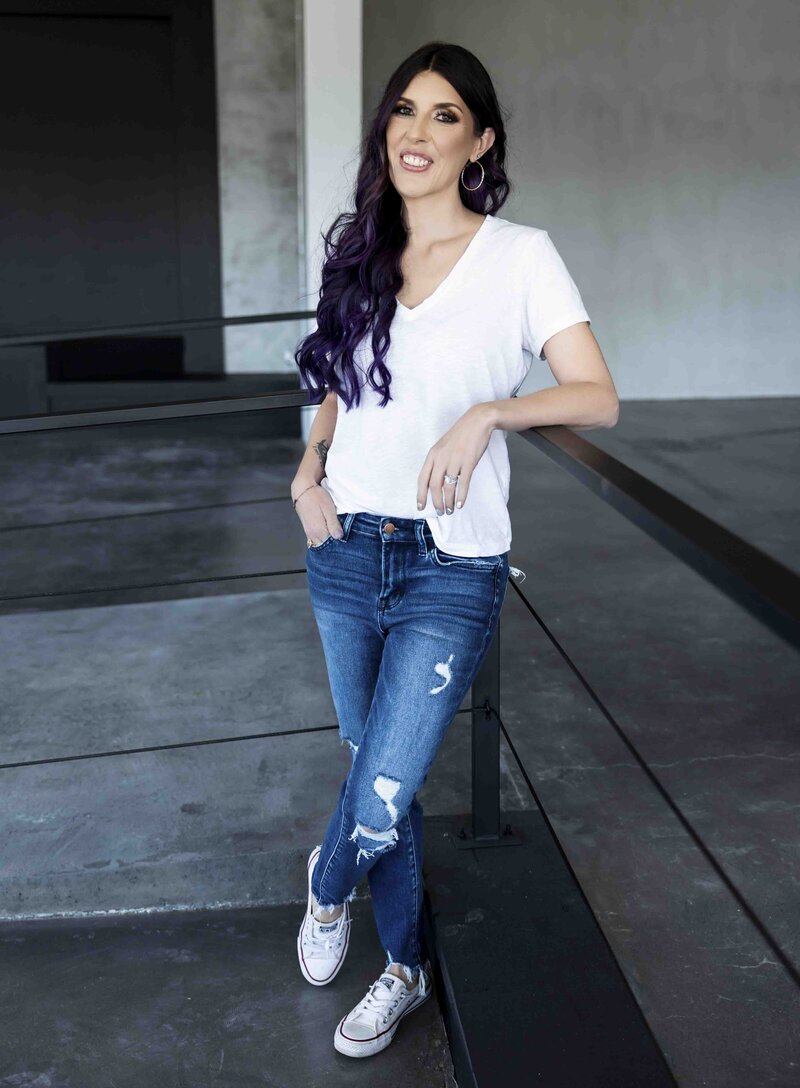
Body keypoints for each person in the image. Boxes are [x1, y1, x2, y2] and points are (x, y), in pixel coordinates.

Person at [290, 41, 619, 1059]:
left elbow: (595, 394)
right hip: (344, 545)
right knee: (372, 769)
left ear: (479, 141)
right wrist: (309, 469)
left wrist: (488, 412)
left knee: (384, 781)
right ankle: (402, 963)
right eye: (403, 111)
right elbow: (333, 384)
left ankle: (324, 878)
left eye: (443, 116)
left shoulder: (520, 256)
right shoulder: (357, 252)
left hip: (449, 562)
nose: (416, 132)